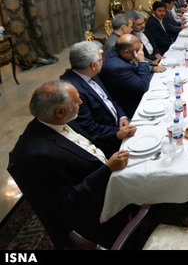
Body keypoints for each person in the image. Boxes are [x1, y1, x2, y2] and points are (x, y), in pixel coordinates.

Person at [8, 80, 131, 248]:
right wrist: (108, 169)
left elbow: (87, 142)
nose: (81, 102)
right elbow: (68, 201)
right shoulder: (38, 156)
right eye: (76, 100)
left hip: (104, 175)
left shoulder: (57, 119)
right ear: (59, 111)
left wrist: (116, 135)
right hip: (96, 209)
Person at [60, 41, 137, 151]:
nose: (104, 61)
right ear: (93, 65)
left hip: (119, 122)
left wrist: (122, 116)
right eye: (101, 60)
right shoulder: (75, 92)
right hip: (109, 139)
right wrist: (117, 133)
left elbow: (110, 98)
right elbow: (89, 128)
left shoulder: (88, 73)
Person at [99, 34, 152, 118]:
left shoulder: (115, 50)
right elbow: (143, 87)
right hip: (131, 107)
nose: (140, 53)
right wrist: (142, 61)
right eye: (137, 51)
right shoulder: (117, 67)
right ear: (126, 52)